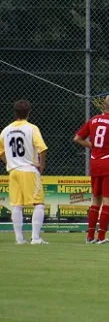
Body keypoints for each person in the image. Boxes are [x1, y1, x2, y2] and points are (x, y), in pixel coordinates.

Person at [74, 94, 109, 245]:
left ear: (104, 106)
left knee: (95, 201)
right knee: (107, 201)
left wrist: (93, 146)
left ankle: (90, 236)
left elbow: (77, 138)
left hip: (95, 164)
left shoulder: (94, 119)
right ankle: (101, 237)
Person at [0, 100, 49, 244]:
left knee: (17, 205)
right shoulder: (31, 128)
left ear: (14, 112)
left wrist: (9, 163)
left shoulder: (6, 130)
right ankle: (35, 238)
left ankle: (19, 238)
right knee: (38, 203)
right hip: (28, 169)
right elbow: (42, 148)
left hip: (13, 171)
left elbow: (1, 152)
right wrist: (41, 165)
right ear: (29, 112)